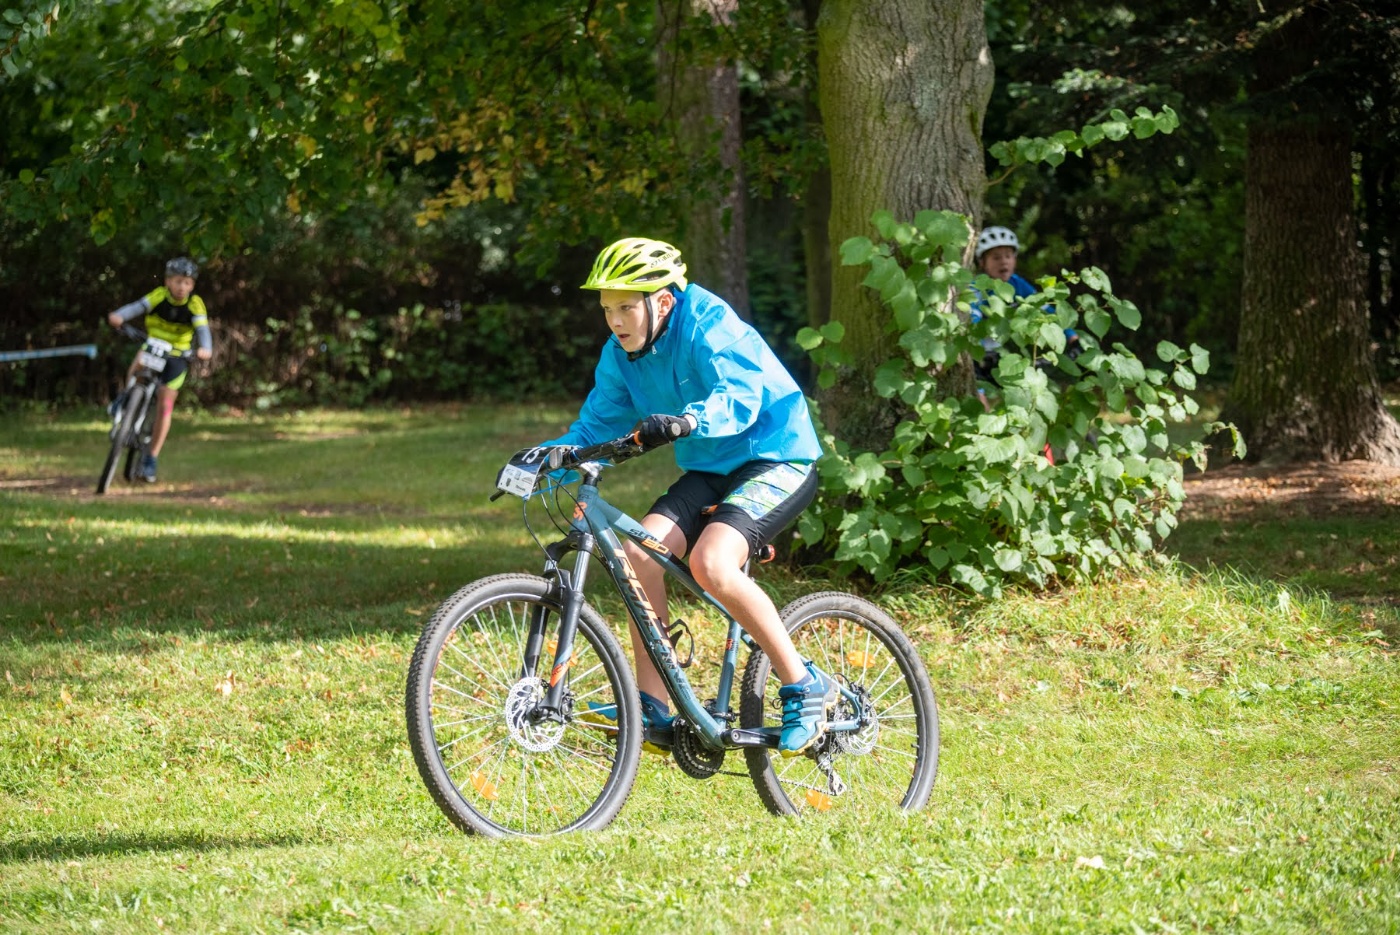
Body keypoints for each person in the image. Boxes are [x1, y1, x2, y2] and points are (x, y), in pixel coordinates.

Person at [540, 237, 834, 758]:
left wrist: (690, 420)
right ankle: (653, 704)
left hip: (777, 456)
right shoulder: (621, 355)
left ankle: (805, 684)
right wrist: (544, 461)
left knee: (712, 563)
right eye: (607, 309)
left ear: (663, 301)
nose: (615, 321)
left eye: (626, 307)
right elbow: (595, 427)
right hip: (711, 468)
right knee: (638, 554)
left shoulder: (708, 321)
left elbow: (739, 392)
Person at [106, 257, 213, 483]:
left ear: (192, 285)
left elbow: (203, 329)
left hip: (177, 355)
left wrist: (205, 348)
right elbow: (137, 307)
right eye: (177, 281)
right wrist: (119, 316)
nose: (181, 287)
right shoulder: (159, 296)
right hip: (153, 346)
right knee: (139, 361)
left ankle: (150, 458)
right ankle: (126, 397)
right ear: (167, 281)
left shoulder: (195, 304)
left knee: (165, 405)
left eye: (186, 282)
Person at [969, 225, 1079, 411]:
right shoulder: (977, 287)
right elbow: (973, 321)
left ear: (1015, 259)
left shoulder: (1018, 284)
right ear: (982, 263)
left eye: (1008, 256)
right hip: (978, 354)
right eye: (996, 257)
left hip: (1007, 353)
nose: (1003, 262)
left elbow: (1046, 310)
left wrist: (1072, 336)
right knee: (979, 400)